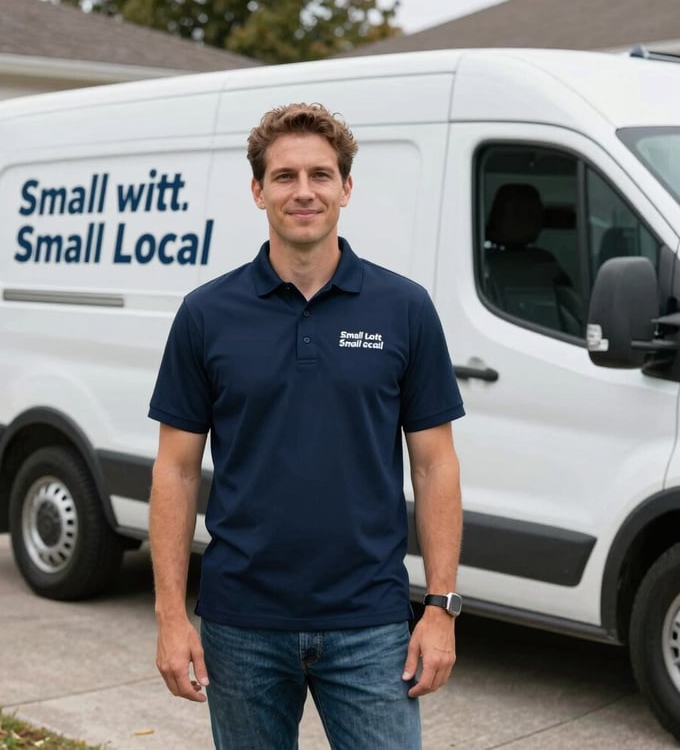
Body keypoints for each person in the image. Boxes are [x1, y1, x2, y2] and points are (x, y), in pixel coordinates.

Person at [148, 102, 464, 750]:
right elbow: (175, 470)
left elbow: (435, 465)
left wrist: (441, 607)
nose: (304, 191)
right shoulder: (206, 315)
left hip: (371, 624)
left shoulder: (403, 308)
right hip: (241, 625)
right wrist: (170, 616)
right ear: (258, 190)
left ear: (347, 188)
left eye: (320, 175)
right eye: (285, 176)